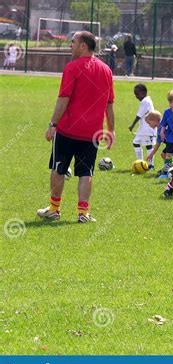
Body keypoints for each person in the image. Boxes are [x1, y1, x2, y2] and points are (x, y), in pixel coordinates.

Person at [37, 31, 115, 223]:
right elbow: (109, 103)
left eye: (73, 42)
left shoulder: (72, 68)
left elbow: (64, 98)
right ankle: (83, 213)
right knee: (86, 172)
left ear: (83, 46)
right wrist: (111, 130)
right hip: (92, 133)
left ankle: (54, 209)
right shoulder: (107, 70)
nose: (70, 45)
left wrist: (53, 124)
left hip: (67, 130)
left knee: (58, 168)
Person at [148, 89, 173, 175]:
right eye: (171, 102)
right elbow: (164, 124)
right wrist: (162, 132)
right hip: (171, 139)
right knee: (168, 155)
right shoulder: (166, 112)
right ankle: (166, 172)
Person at [128, 84, 156, 170]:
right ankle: (140, 163)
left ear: (143, 92)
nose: (136, 96)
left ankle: (151, 165)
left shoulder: (145, 101)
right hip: (142, 129)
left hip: (148, 128)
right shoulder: (146, 100)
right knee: (136, 142)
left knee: (148, 145)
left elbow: (139, 116)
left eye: (137, 94)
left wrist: (132, 126)